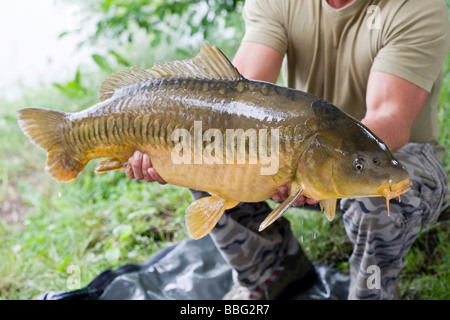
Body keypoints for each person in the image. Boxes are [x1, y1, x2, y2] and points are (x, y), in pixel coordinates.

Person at [125, 0, 450, 299]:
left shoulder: (416, 6)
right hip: (299, 153)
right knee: (209, 149)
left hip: (396, 155)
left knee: (383, 201)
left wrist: (325, 165)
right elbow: (235, 99)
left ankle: (372, 293)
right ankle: (273, 271)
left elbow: (389, 116)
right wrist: (160, 145)